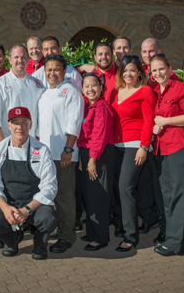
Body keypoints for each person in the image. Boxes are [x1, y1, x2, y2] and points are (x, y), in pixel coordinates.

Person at [0, 107, 59, 260]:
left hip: (34, 203)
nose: (19, 127)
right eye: (15, 123)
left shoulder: (42, 150)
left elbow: (49, 186)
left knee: (49, 219)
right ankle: (12, 241)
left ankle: (40, 243)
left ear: (30, 125)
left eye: (24, 122)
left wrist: (27, 210)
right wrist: (5, 209)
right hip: (8, 202)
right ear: (8, 125)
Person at [150, 55, 184, 256]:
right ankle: (173, 239)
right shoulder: (155, 92)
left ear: (170, 68)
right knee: (167, 196)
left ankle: (177, 244)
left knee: (178, 195)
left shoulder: (180, 88)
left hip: (179, 147)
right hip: (161, 149)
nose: (158, 73)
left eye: (161, 69)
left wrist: (166, 121)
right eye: (154, 71)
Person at [37, 54, 84, 254]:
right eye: (49, 70)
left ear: (64, 72)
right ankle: (59, 228)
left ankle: (67, 235)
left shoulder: (71, 92)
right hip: (46, 155)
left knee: (64, 195)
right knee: (50, 195)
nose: (52, 73)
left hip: (63, 153)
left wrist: (68, 149)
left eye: (57, 69)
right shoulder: (45, 93)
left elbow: (74, 123)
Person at [110, 55, 156, 252]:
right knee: (119, 189)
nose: (128, 73)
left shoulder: (145, 91)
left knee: (125, 188)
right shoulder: (114, 92)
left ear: (139, 73)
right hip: (116, 146)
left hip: (135, 145)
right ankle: (125, 225)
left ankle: (131, 236)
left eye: (132, 70)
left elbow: (149, 120)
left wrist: (144, 146)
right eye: (125, 70)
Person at [78, 73, 116, 251]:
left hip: (99, 155)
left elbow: (99, 136)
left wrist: (92, 159)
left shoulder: (101, 107)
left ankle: (100, 238)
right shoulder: (86, 107)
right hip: (88, 154)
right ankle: (93, 232)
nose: (90, 89)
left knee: (98, 196)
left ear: (101, 88)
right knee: (89, 195)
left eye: (94, 85)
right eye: (86, 86)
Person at [0, 43, 45, 142]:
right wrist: (4, 147)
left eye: (23, 57)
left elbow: (41, 119)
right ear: (10, 60)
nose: (20, 60)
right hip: (7, 143)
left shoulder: (37, 84)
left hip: (31, 144)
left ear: (28, 59)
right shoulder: (0, 84)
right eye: (16, 57)